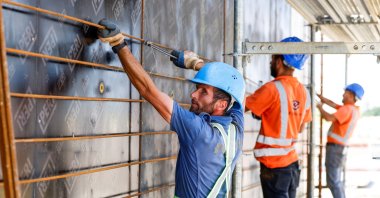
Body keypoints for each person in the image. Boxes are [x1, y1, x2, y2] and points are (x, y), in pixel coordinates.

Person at [96, 19, 246, 198]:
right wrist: (195, 64)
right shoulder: (235, 126)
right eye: (196, 89)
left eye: (203, 92)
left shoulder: (199, 132)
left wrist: (119, 44)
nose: (193, 95)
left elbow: (147, 89)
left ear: (222, 104)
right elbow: (236, 88)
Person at [245, 37, 311, 198]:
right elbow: (300, 127)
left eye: (273, 57)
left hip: (274, 165)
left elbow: (241, 107)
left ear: (280, 61)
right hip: (292, 165)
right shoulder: (304, 92)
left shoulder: (272, 88)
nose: (270, 62)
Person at [316, 83, 364, 198]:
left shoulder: (346, 109)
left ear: (351, 95)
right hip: (340, 149)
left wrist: (319, 107)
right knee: (336, 181)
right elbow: (333, 104)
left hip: (335, 149)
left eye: (345, 92)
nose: (343, 94)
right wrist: (321, 98)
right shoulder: (352, 109)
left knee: (333, 182)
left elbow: (328, 118)